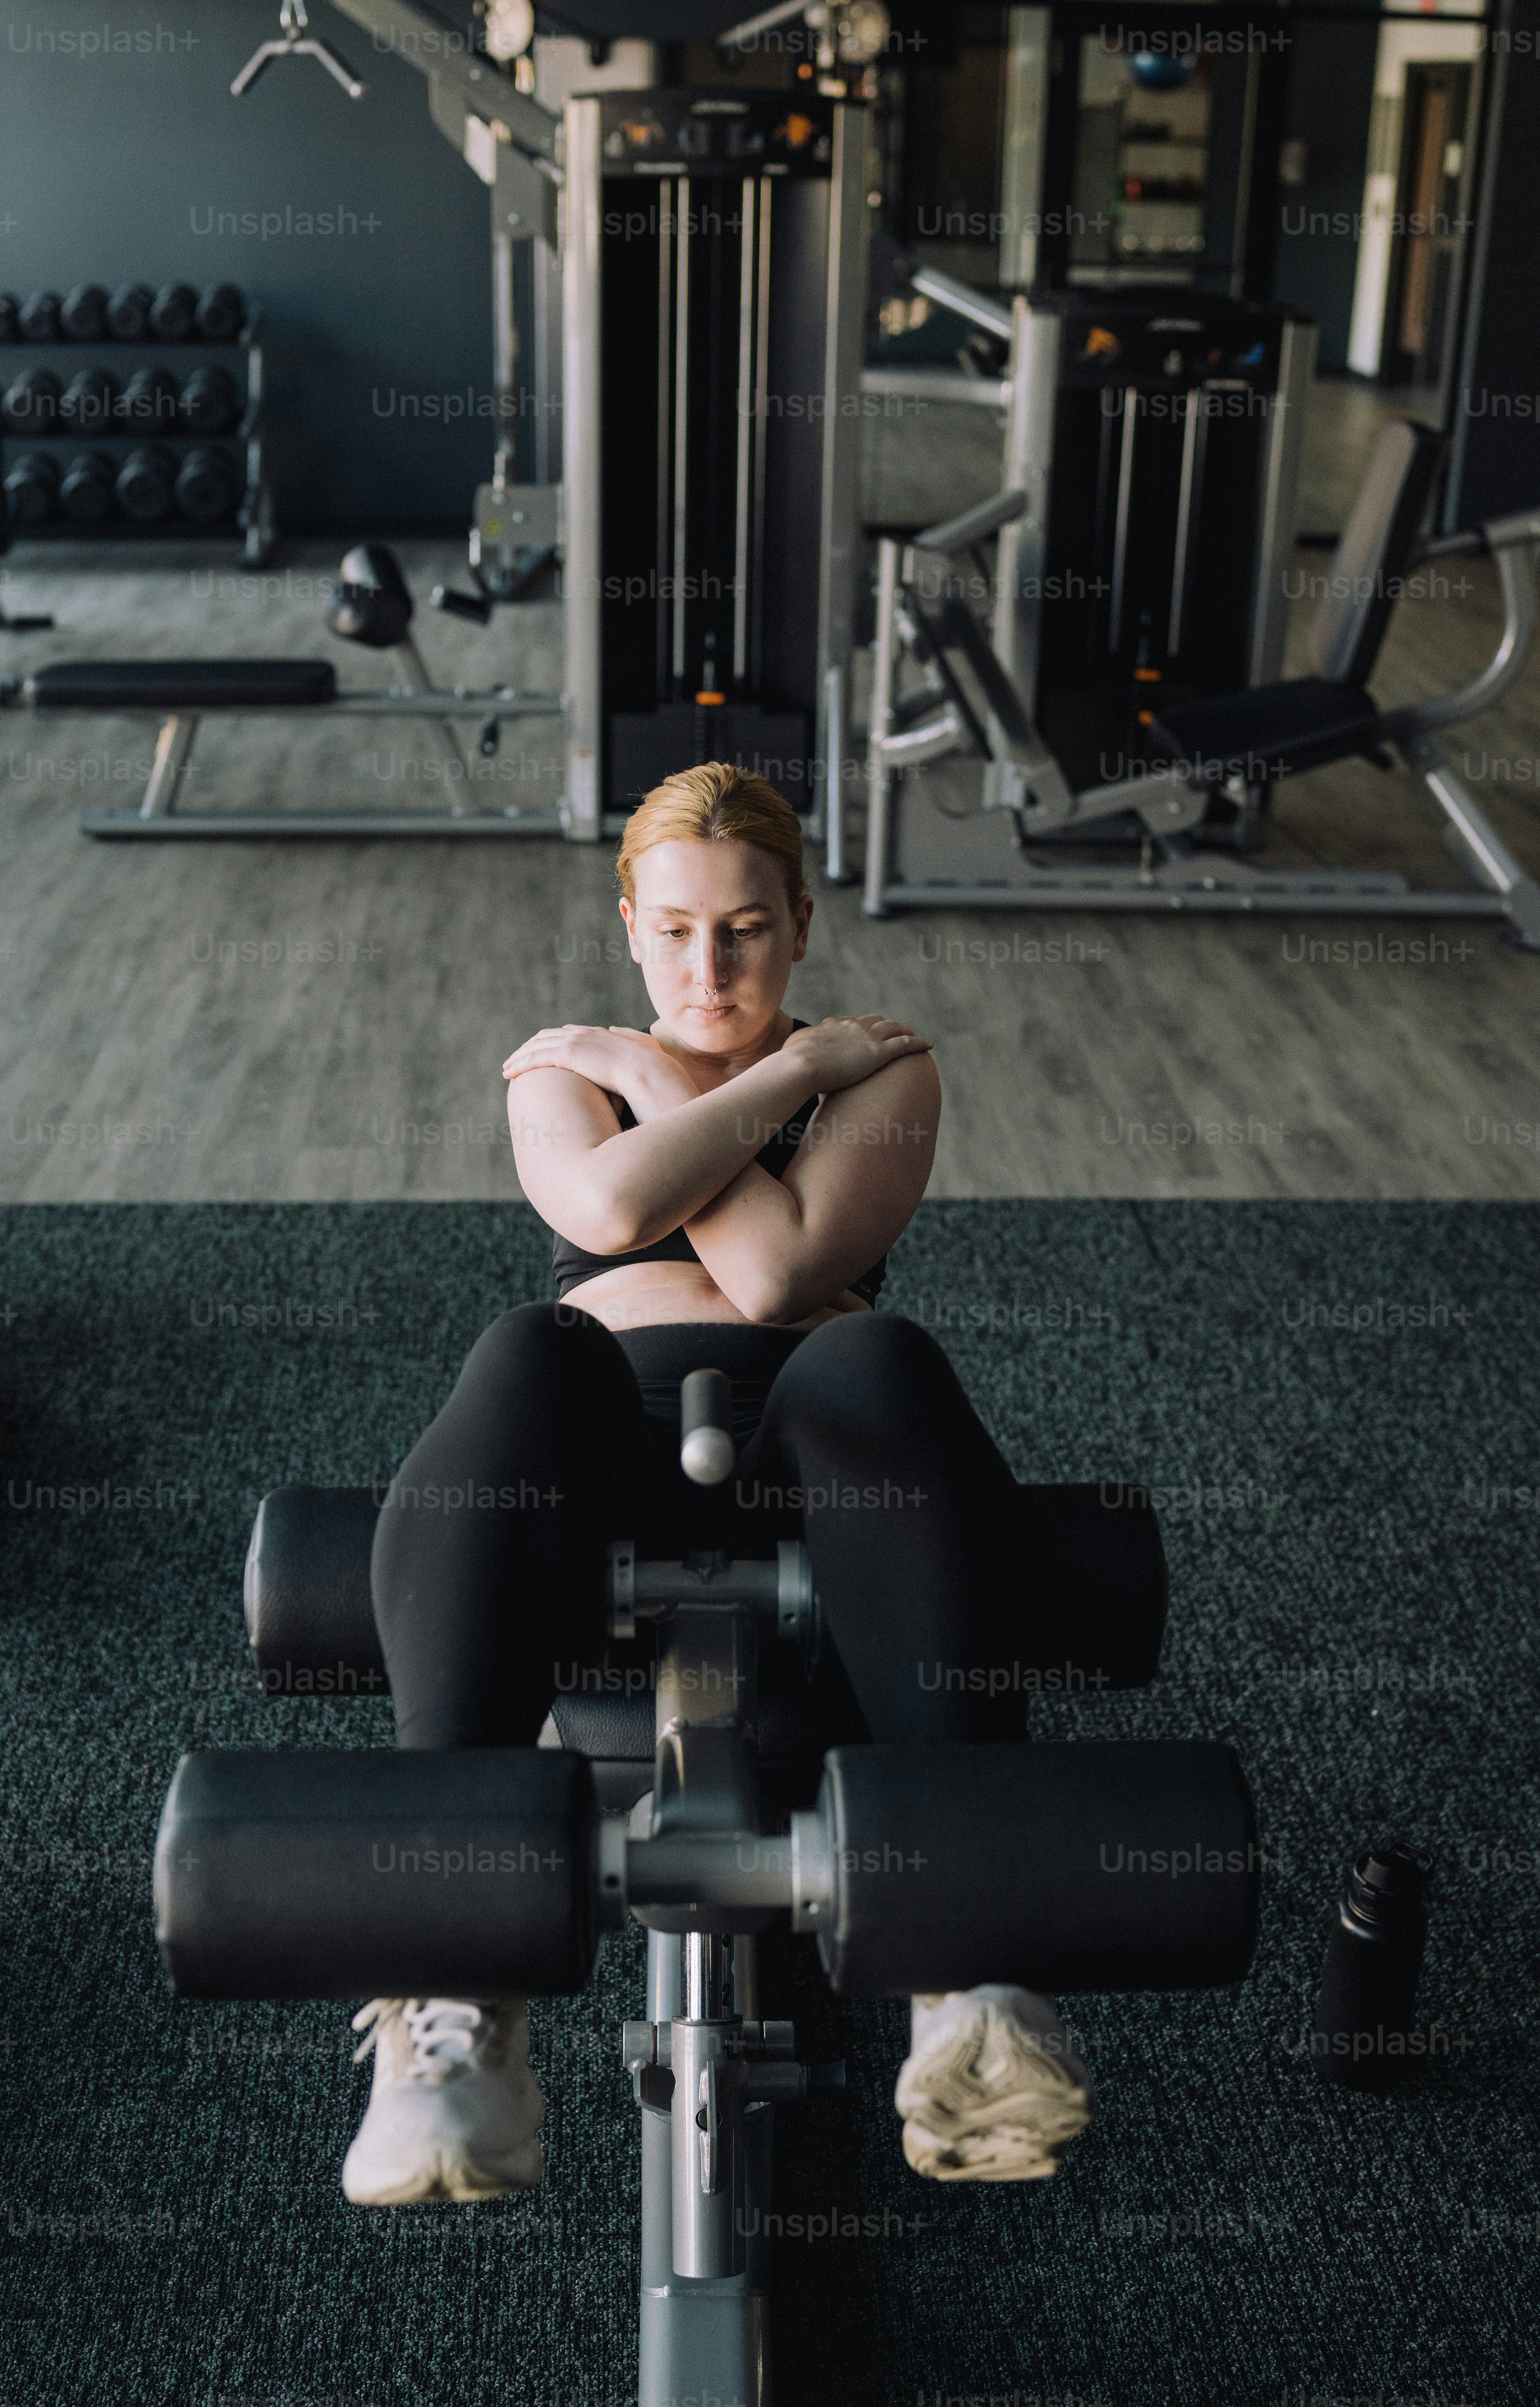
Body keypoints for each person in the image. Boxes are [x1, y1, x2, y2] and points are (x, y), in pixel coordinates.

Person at [341, 763, 1093, 2207]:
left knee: (878, 1351)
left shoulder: (881, 1065)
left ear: (802, 922)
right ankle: (453, 1997)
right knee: (525, 1349)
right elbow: (614, 1211)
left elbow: (775, 1271)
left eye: (746, 930)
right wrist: (736, 1082)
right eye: (677, 931)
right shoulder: (564, 1064)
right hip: (601, 1440)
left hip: (830, 1454)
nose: (711, 967)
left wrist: (715, 1079)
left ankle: (966, 1981)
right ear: (630, 923)